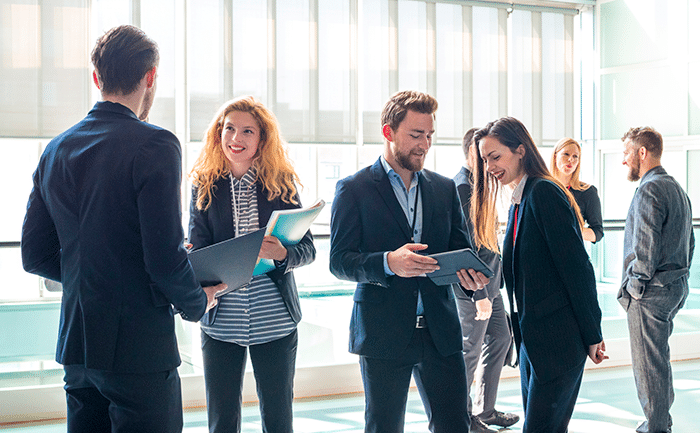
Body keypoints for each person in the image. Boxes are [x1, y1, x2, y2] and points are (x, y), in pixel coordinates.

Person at [20, 25, 221, 433]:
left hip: (77, 347)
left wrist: (95, 274)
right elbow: (164, 258)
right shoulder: (156, 145)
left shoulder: (56, 149)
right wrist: (198, 303)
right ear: (150, 78)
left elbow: (34, 256)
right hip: (139, 350)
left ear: (97, 78)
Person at [329, 90, 489, 433]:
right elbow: (340, 261)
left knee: (454, 426)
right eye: (416, 135)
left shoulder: (444, 189)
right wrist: (388, 262)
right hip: (383, 331)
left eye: (429, 135)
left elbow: (460, 250)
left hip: (440, 331)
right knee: (384, 426)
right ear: (388, 132)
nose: (424, 144)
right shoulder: (352, 189)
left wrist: (469, 276)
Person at [470, 117, 607, 433]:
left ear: (520, 150)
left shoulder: (544, 193)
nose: (489, 166)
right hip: (533, 340)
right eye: (485, 159)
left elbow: (577, 270)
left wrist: (593, 334)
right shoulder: (521, 198)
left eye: (495, 156)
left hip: (557, 343)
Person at [188, 96, 316, 433]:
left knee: (278, 418)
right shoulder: (204, 186)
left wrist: (283, 255)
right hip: (221, 321)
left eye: (247, 131)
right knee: (222, 419)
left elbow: (308, 249)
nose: (236, 138)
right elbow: (197, 250)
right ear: (219, 133)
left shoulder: (281, 183)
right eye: (229, 128)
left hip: (275, 319)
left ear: (262, 140)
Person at [618, 127, 694, 433]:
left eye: (625, 153)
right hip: (675, 287)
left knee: (649, 365)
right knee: (659, 359)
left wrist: (634, 287)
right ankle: (661, 417)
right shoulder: (676, 187)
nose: (623, 161)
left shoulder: (649, 189)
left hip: (650, 293)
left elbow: (644, 247)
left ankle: (656, 426)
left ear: (641, 152)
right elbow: (690, 242)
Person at [453, 128, 519, 433]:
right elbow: (464, 247)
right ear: (471, 154)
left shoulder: (481, 186)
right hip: (473, 288)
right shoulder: (462, 188)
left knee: (502, 338)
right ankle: (462, 418)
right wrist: (478, 291)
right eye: (484, 157)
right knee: (470, 350)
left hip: (492, 284)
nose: (490, 164)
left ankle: (486, 409)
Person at [550, 137, 604, 243]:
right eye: (566, 154)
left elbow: (598, 233)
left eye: (575, 156)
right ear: (555, 157)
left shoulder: (588, 192)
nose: (571, 160)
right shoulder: (541, 189)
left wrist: (572, 229)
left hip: (572, 253)